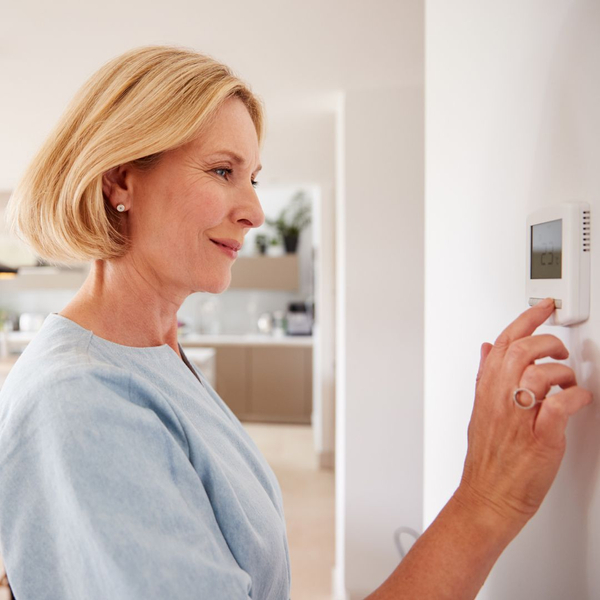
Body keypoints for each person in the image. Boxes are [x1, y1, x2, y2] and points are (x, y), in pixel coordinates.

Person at [0, 46, 591, 600]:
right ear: (120, 180)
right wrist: (486, 501)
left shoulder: (152, 354)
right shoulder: (80, 403)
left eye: (252, 177)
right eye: (222, 171)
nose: (255, 211)